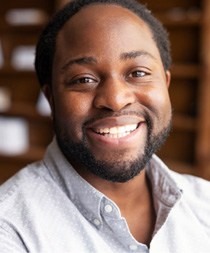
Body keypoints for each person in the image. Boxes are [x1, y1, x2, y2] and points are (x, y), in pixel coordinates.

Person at [0, 0, 210, 252]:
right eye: (84, 79)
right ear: (51, 99)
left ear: (165, 84)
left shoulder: (204, 203)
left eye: (139, 73)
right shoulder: (11, 230)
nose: (115, 99)